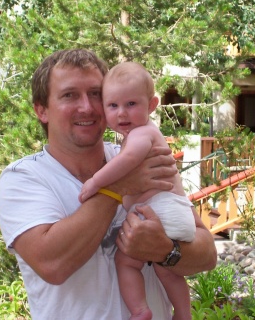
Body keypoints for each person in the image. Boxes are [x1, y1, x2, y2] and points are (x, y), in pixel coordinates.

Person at [0, 48, 217, 320]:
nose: (87, 107)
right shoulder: (23, 178)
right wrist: (118, 187)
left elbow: (207, 253)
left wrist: (166, 251)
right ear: (42, 110)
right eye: (69, 95)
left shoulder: (138, 157)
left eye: (95, 94)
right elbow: (53, 264)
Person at [79, 61, 196, 320]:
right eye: (113, 105)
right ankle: (184, 314)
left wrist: (97, 182)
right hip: (174, 210)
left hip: (162, 210)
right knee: (166, 270)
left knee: (126, 262)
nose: (122, 114)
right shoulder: (142, 132)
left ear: (152, 106)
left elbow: (129, 161)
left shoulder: (142, 133)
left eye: (131, 104)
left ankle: (140, 309)